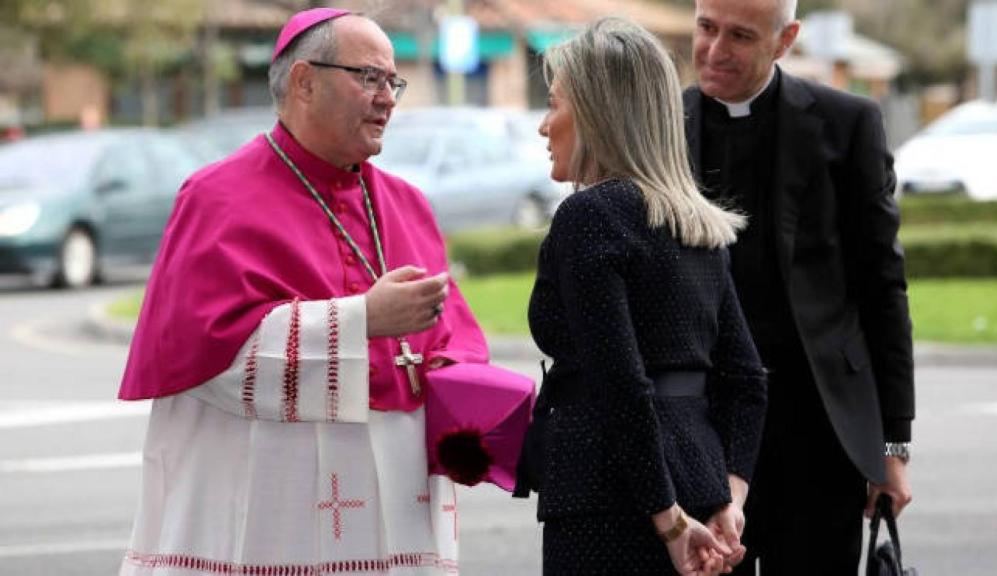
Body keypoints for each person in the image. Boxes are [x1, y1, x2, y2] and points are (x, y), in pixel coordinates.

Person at [117, 8, 487, 575]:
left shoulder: (407, 203)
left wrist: (470, 406)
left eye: (394, 81)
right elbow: (204, 354)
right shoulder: (216, 198)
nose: (387, 97)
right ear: (304, 81)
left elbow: (454, 339)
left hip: (398, 509)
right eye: (369, 77)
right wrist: (362, 319)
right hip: (269, 509)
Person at [514, 17, 768, 576]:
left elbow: (621, 383)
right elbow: (746, 380)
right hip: (705, 495)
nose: (542, 126)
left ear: (597, 114)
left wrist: (668, 520)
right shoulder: (697, 224)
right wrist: (730, 499)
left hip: (614, 502)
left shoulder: (589, 215)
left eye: (554, 104)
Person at [684, 1, 915, 574]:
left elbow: (883, 286)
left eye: (739, 36)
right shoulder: (658, 123)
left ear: (785, 39)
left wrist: (893, 444)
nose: (715, 51)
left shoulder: (848, 123)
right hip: (701, 428)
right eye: (706, 28)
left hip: (818, 432)